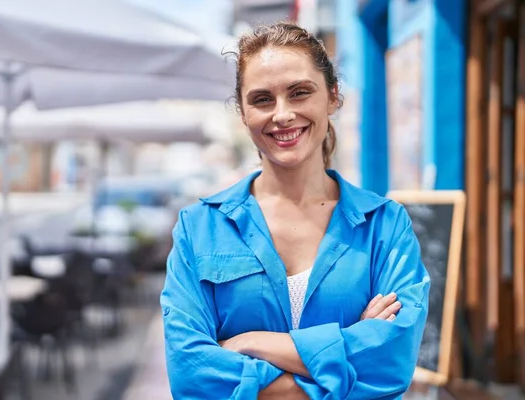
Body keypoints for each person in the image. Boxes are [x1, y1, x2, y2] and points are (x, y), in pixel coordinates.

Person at [160, 22, 430, 400]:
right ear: (242, 111)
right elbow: (191, 375)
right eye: (262, 99)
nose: (282, 114)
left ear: (333, 96)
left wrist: (250, 342)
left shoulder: (385, 226)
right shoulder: (199, 228)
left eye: (300, 93)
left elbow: (390, 365)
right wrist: (345, 354)